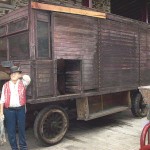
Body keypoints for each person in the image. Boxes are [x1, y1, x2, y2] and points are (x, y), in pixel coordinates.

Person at [0, 66, 31, 150]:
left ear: (19, 75)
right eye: (11, 73)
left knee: (22, 130)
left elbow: (28, 79)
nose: (13, 75)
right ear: (9, 75)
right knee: (11, 131)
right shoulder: (5, 85)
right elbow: (2, 100)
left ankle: (23, 147)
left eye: (15, 73)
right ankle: (14, 148)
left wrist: (20, 75)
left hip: (20, 110)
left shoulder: (23, 83)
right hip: (9, 110)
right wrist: (1, 112)